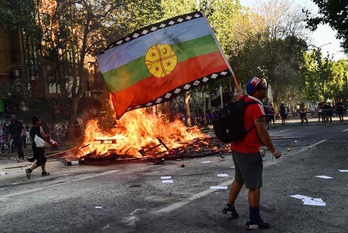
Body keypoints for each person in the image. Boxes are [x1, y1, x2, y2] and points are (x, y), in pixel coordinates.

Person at [222, 77, 281, 230]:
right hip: (249, 152)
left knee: (239, 179)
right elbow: (262, 132)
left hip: (236, 148)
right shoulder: (256, 107)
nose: (264, 90)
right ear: (255, 91)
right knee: (254, 186)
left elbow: (240, 94)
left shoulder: (243, 100)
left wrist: (240, 92)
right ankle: (254, 220)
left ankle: (229, 207)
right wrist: (273, 151)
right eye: (262, 88)